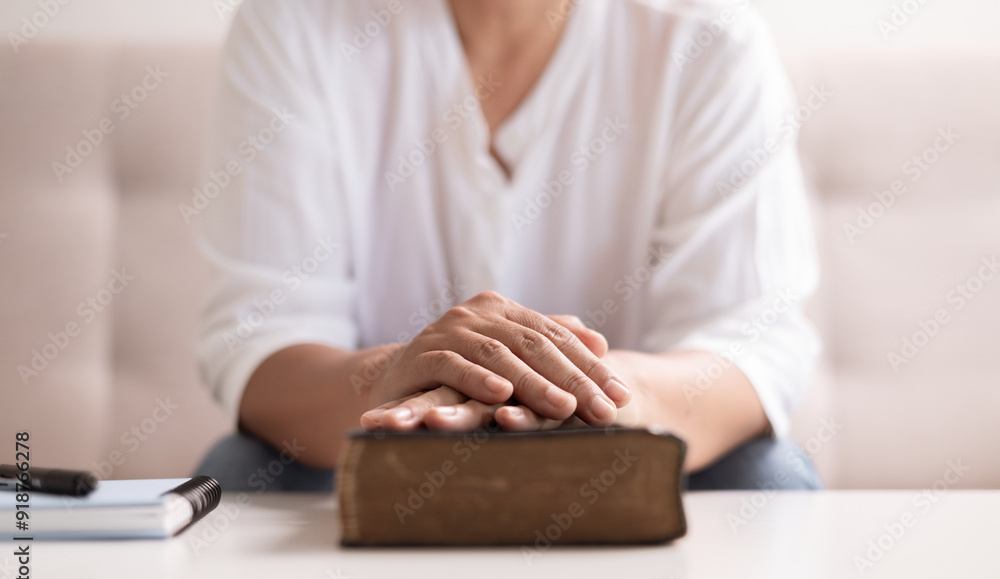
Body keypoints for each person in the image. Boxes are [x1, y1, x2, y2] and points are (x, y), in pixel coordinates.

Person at [194, 0, 823, 492]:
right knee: (242, 472)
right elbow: (264, 338)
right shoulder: (295, 25)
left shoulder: (708, 39)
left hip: (629, 454)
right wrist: (392, 380)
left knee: (768, 477)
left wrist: (585, 390)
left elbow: (752, 342)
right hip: (374, 456)